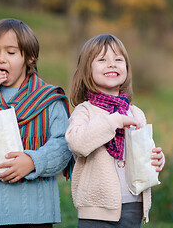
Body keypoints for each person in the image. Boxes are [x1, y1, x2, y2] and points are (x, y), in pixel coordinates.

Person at [0, 18, 72, 227]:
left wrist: (33, 161)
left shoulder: (49, 99)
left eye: (11, 52)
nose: (1, 59)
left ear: (30, 57)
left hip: (37, 213)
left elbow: (64, 146)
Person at [65, 34, 165, 228]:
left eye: (118, 59)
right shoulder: (85, 111)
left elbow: (144, 153)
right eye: (102, 60)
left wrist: (157, 160)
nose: (112, 64)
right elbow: (77, 143)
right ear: (87, 70)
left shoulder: (135, 113)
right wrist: (114, 121)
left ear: (126, 68)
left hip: (133, 205)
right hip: (96, 210)